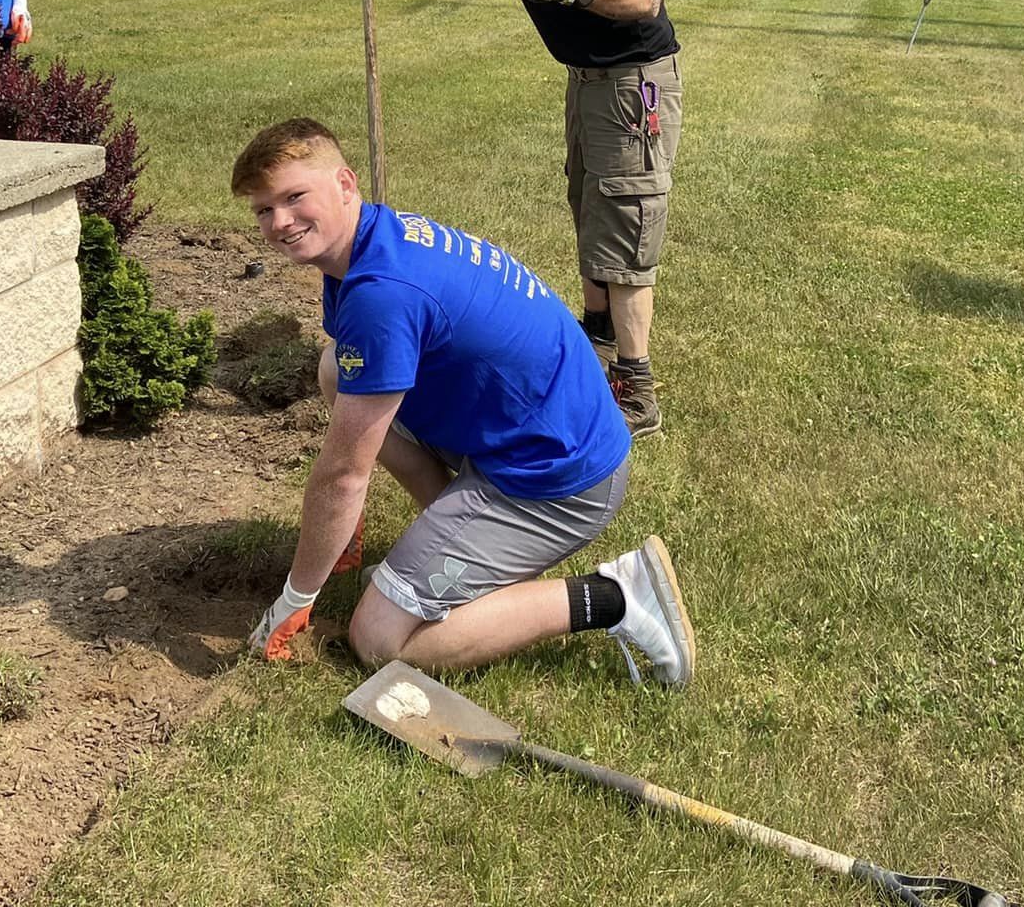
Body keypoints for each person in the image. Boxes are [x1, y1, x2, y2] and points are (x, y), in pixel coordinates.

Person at [233, 118, 695, 686]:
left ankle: (617, 596)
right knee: (337, 370)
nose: (280, 221)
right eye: (263, 209)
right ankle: (455, 544)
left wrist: (297, 596)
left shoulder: (383, 295)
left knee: (378, 639)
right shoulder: (374, 241)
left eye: (295, 197)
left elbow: (343, 478)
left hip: (557, 481)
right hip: (538, 431)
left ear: (346, 183)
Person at [339, 0, 680, 439]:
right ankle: (598, 346)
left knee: (626, 213)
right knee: (589, 204)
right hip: (584, 79)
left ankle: (636, 390)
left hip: (632, 79)